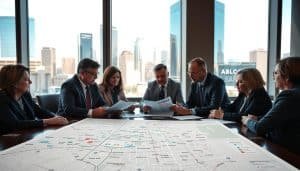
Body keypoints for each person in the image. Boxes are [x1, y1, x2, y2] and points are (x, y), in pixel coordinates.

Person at [242, 57, 300, 154]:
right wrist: (259, 118)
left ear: (286, 77)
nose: (273, 77)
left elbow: (260, 128)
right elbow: (283, 118)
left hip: (288, 153)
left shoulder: (289, 96)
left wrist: (247, 121)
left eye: (276, 73)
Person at [0, 64, 68, 135]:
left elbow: (38, 111)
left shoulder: (25, 95)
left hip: (26, 135)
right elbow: (15, 124)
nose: (30, 82)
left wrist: (56, 117)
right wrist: (48, 121)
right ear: (14, 83)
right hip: (8, 141)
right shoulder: (2, 99)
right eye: (26, 79)